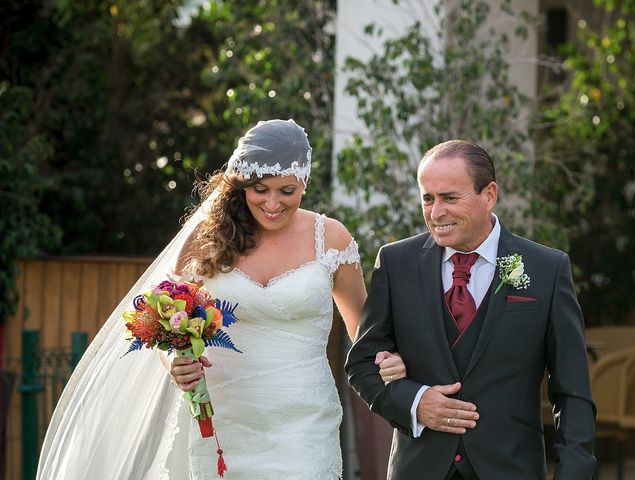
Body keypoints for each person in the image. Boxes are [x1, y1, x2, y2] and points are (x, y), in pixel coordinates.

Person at [37, 119, 405, 480]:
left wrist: (391, 361)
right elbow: (165, 319)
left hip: (304, 422)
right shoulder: (210, 235)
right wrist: (173, 361)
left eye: (286, 190)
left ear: (304, 183)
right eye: (260, 189)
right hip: (221, 417)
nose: (273, 203)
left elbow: (365, 332)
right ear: (241, 183)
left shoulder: (331, 239)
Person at [345, 140, 596, 480]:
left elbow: (572, 391)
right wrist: (416, 402)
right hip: (419, 469)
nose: (436, 213)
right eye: (427, 198)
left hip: (510, 468)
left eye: (449, 198)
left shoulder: (547, 269)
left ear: (489, 194)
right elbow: (362, 363)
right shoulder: (395, 263)